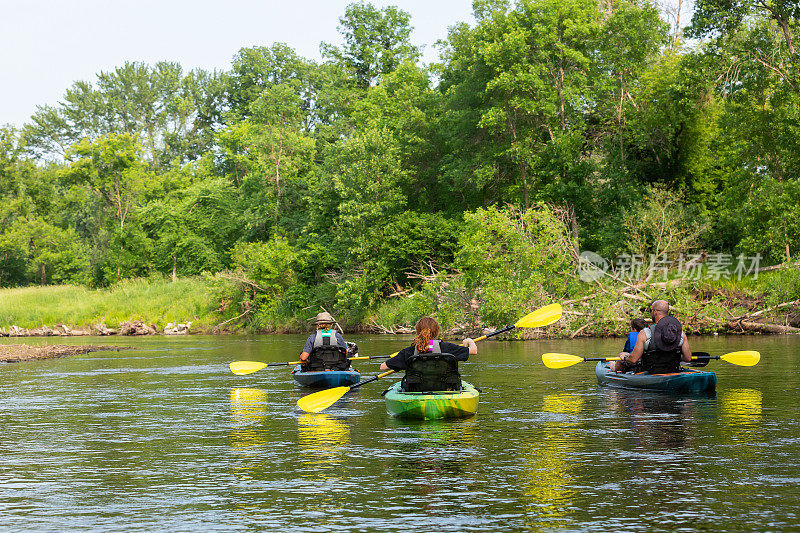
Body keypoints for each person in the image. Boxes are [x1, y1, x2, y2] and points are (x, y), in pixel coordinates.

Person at [379, 316, 478, 392]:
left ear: (418, 331)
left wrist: (400, 364)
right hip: (445, 389)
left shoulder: (408, 351)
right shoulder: (447, 347)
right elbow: (473, 351)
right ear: (436, 332)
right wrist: (469, 341)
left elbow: (383, 367)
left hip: (416, 390)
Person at [612, 300, 692, 373]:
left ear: (655, 312)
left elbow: (633, 359)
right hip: (672, 370)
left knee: (620, 360)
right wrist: (675, 357)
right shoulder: (680, 333)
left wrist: (625, 357)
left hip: (650, 372)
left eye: (651, 311)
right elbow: (688, 358)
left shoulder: (645, 333)